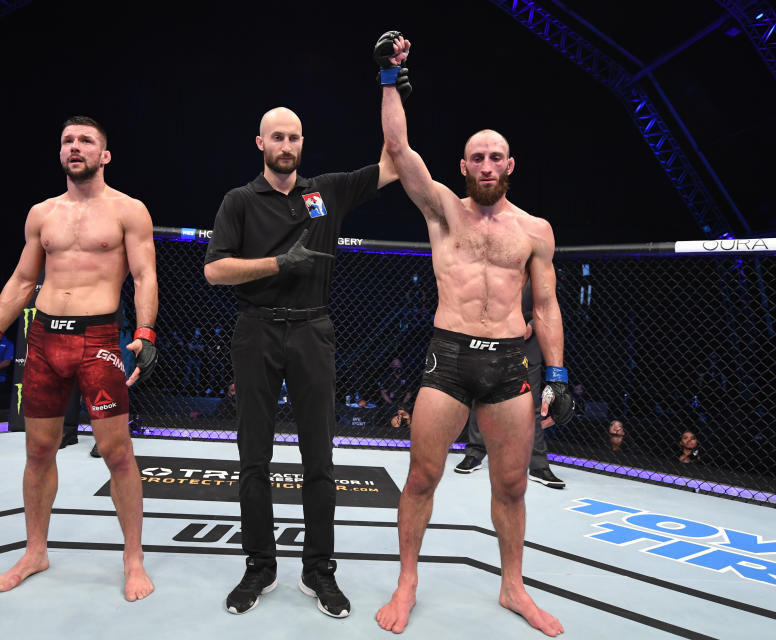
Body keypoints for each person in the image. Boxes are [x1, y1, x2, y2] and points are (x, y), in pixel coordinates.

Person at [373, 32, 573, 637]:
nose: (486, 166)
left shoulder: (535, 230)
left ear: (510, 166)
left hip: (511, 362)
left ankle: (514, 587)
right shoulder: (443, 211)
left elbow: (546, 304)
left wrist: (557, 374)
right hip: (450, 356)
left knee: (511, 484)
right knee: (422, 476)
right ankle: (407, 581)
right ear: (463, 166)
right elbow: (399, 148)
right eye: (476, 158)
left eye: (496, 157)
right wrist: (389, 75)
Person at [203, 104, 402, 617]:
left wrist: (387, 84)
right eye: (277, 137)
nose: (286, 146)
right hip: (257, 328)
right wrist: (277, 263)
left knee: (320, 458)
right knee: (254, 457)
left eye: (293, 137)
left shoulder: (325, 191)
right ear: (260, 143)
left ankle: (319, 572)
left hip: (313, 327)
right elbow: (215, 270)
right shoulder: (241, 200)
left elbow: (394, 161)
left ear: (302, 143)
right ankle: (259, 567)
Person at [0, 116, 159, 601]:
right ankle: (35, 551)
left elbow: (144, 275)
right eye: (68, 140)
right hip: (44, 339)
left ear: (104, 155)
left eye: (86, 140)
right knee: (38, 449)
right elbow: (24, 281)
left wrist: (147, 331)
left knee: (117, 453)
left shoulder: (128, 210)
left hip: (99, 340)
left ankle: (133, 559)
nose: (75, 146)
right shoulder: (42, 213)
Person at [454, 282, 566, 489]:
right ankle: (474, 453)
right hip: (491, 338)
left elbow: (547, 307)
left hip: (526, 342)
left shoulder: (536, 269)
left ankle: (538, 465)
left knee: (530, 405)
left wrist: (531, 326)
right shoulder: (490, 266)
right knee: (482, 396)